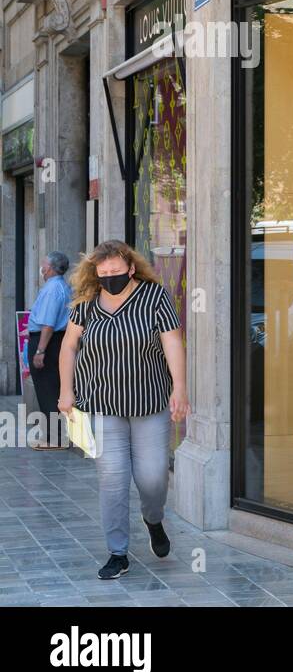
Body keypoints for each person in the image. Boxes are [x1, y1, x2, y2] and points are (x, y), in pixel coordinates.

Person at [57, 240, 188, 581]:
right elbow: (69, 346)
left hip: (149, 403)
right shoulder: (86, 305)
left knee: (153, 477)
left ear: (131, 268)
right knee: (112, 480)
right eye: (103, 273)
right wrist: (65, 391)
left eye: (116, 271)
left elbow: (172, 341)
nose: (110, 277)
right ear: (95, 273)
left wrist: (180, 387)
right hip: (103, 405)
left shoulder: (154, 298)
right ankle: (118, 553)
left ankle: (154, 520)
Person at [26, 252, 73, 449]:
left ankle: (55, 438)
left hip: (48, 342)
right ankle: (56, 436)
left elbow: (48, 324)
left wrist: (40, 351)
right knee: (52, 388)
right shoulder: (60, 286)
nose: (42, 267)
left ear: (51, 268)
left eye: (44, 264)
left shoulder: (53, 289)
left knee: (47, 390)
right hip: (54, 341)